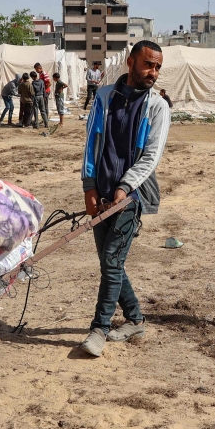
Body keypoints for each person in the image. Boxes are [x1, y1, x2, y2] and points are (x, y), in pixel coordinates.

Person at [79, 40, 170, 357]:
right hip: (101, 194)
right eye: (148, 64)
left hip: (131, 196)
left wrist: (125, 187)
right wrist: (89, 187)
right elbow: (91, 144)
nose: (153, 72)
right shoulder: (104, 98)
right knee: (110, 262)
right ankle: (135, 319)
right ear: (130, 63)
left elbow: (151, 158)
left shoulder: (157, 107)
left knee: (113, 262)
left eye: (157, 67)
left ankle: (99, 330)